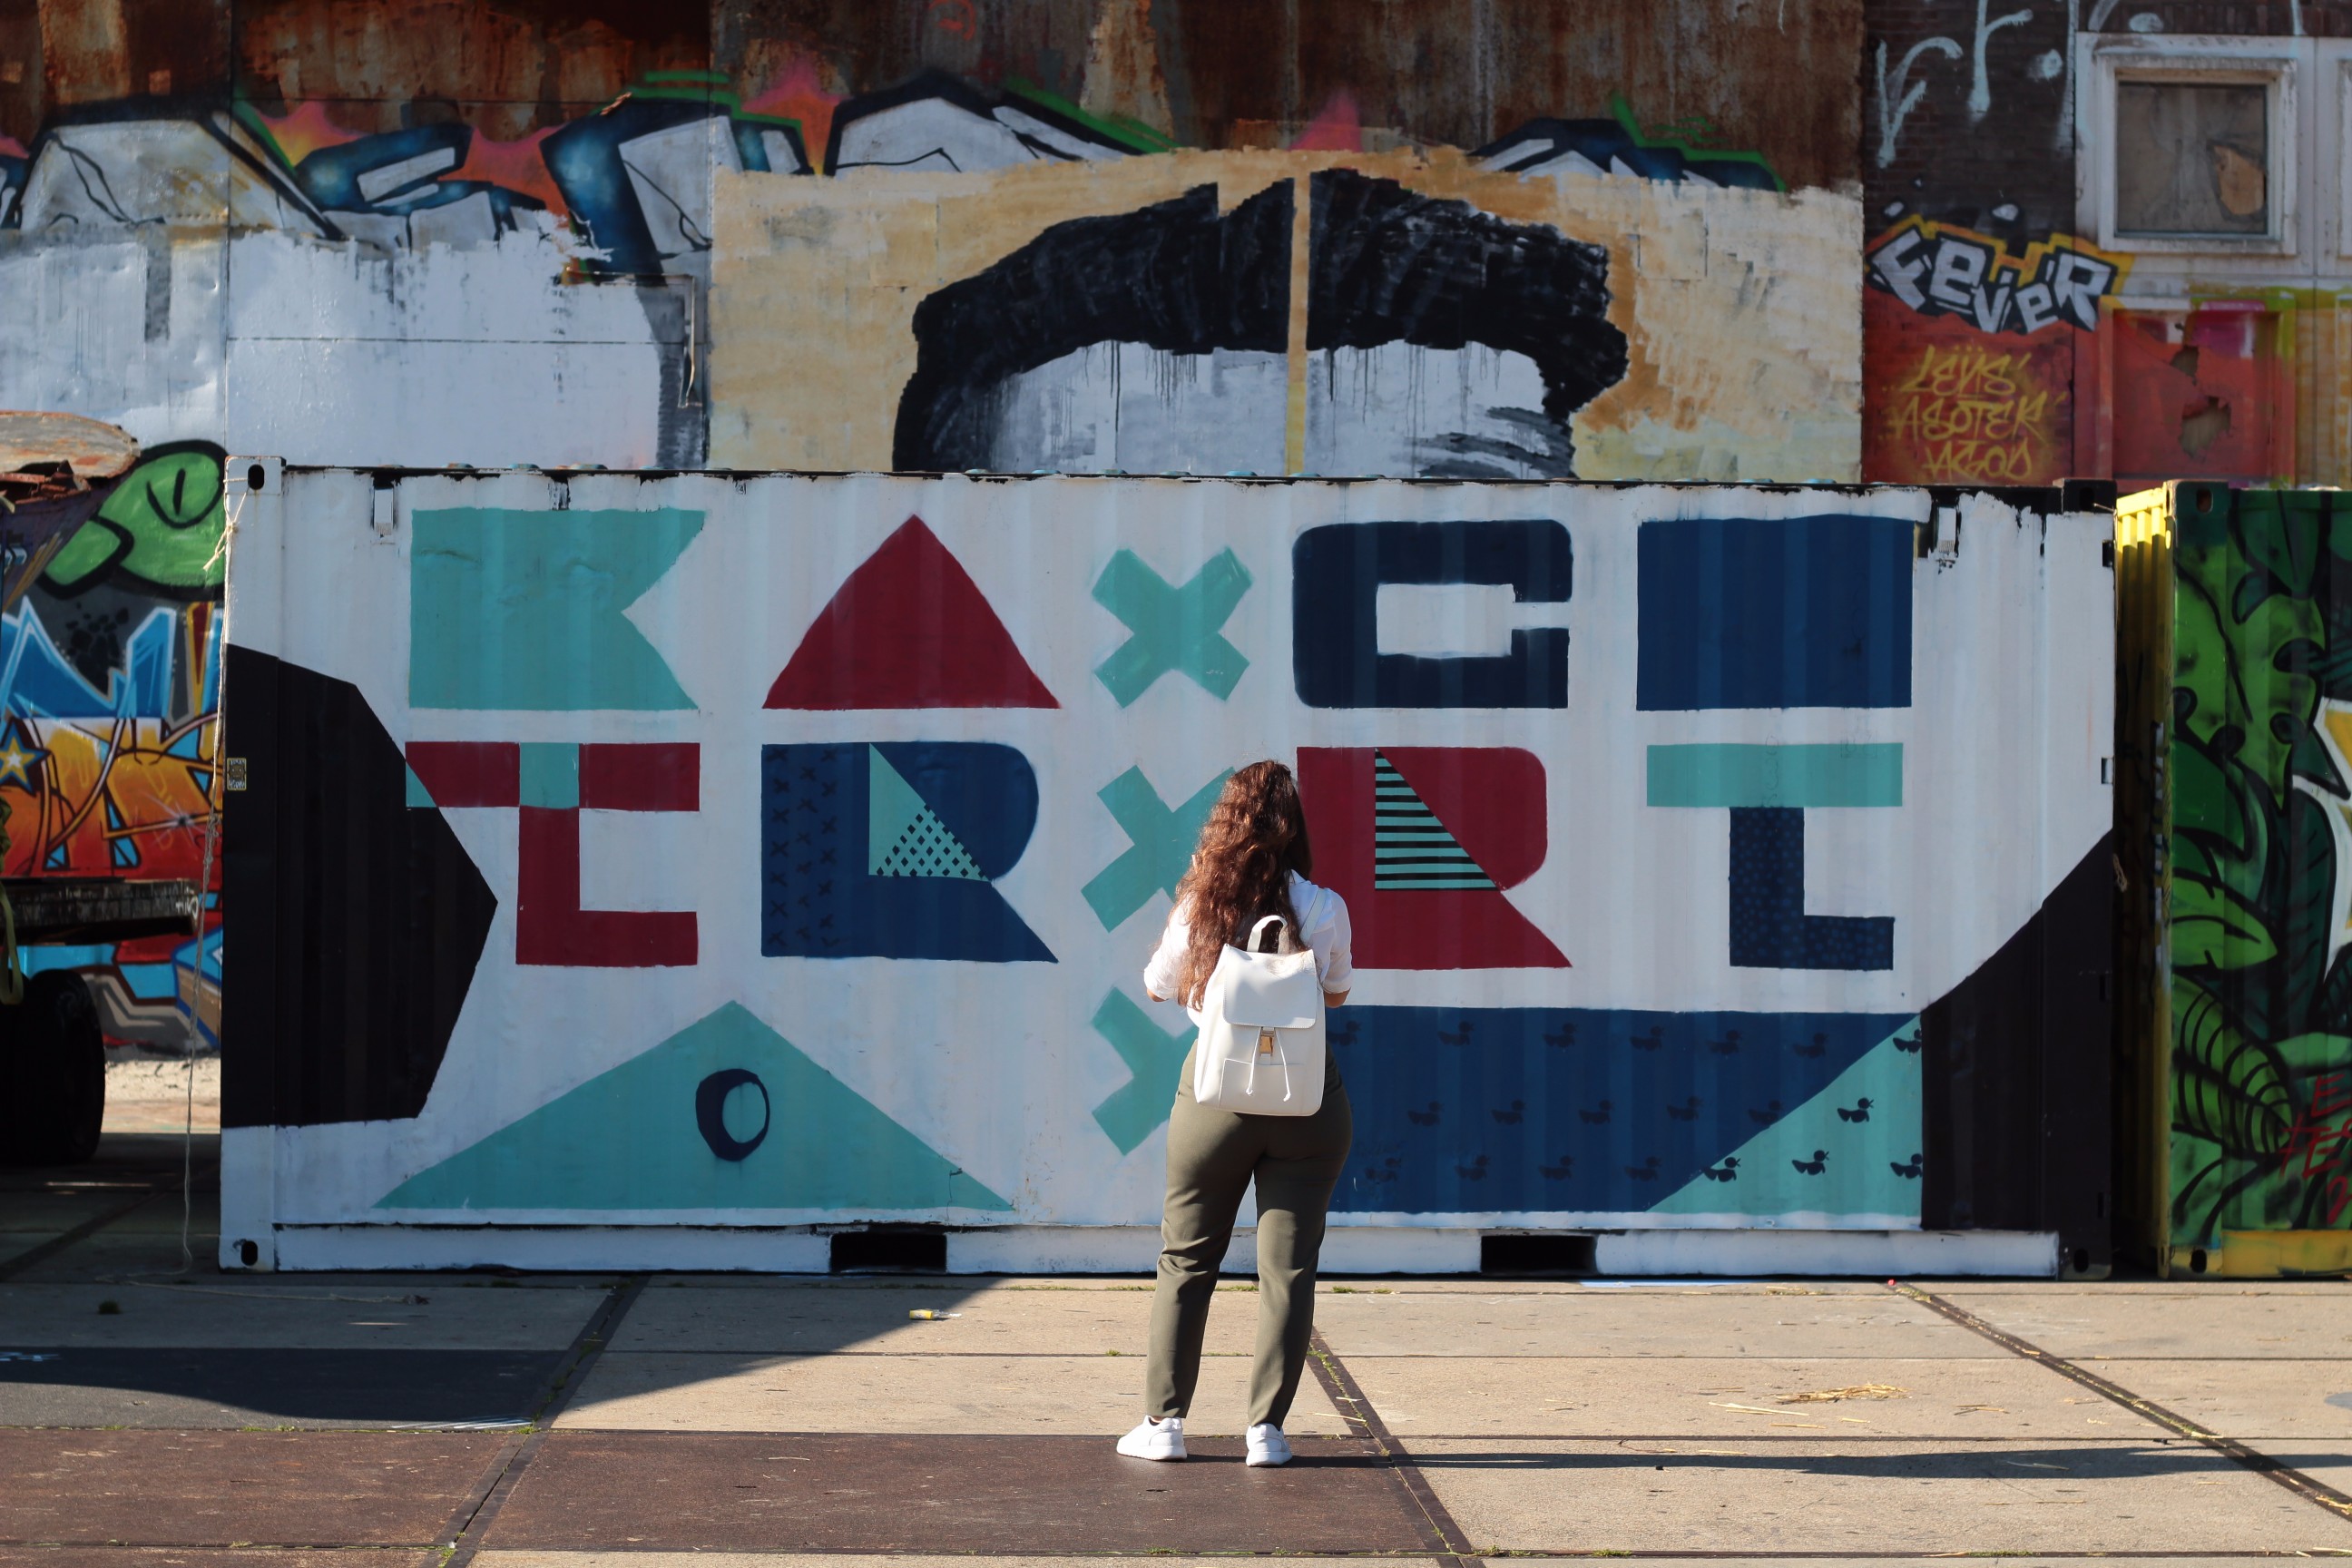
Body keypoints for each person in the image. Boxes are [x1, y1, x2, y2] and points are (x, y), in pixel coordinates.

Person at [1119, 760, 1353, 1468]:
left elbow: (1156, 987)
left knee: (1187, 1259)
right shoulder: (1323, 906)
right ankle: (1267, 1433)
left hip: (1217, 1097)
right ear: (1296, 826)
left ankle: (1163, 1424)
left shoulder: (1201, 902)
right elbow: (1336, 992)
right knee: (1290, 1270)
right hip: (1305, 1098)